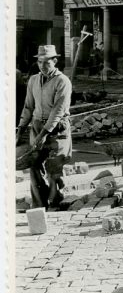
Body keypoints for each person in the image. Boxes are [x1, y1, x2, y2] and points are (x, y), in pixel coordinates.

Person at [16, 45, 72, 209]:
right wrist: (20, 130)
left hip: (57, 128)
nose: (42, 65)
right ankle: (39, 205)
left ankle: (56, 198)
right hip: (37, 124)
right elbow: (28, 107)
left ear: (55, 61)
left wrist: (43, 135)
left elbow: (58, 111)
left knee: (53, 167)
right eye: (40, 62)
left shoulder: (62, 81)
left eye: (46, 62)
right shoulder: (33, 80)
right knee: (34, 165)